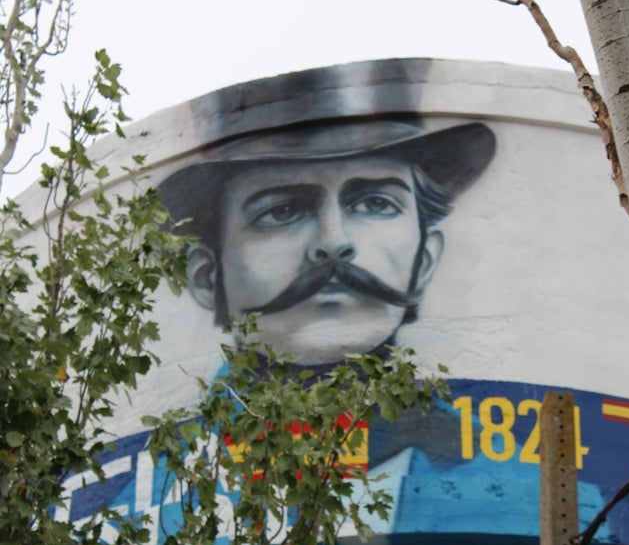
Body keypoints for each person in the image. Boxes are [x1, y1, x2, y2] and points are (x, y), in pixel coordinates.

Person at [157, 119, 495, 365]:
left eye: (375, 204)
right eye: (282, 211)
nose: (334, 243)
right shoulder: (180, 459)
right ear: (207, 277)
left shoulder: (483, 457)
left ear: (425, 262)